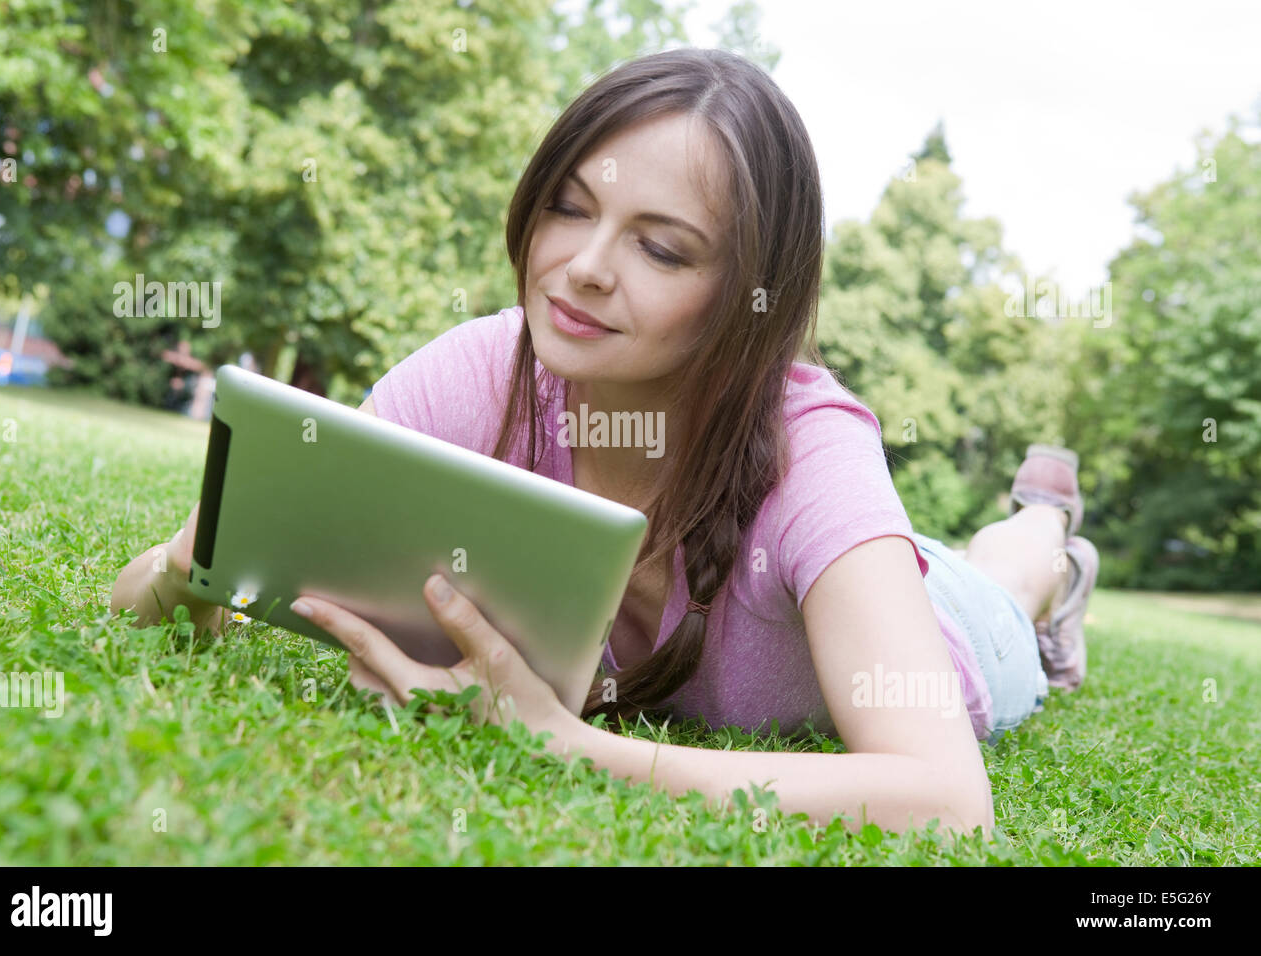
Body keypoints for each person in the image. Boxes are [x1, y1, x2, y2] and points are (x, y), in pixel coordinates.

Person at [110, 48, 1098, 839]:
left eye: (661, 248)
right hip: (851, 569)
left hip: (951, 625)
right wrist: (195, 564)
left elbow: (945, 798)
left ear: (750, 296)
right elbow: (155, 599)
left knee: (999, 580)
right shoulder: (477, 372)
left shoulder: (815, 451)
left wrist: (560, 742)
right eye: (570, 207)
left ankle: (1047, 533)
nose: (580, 268)